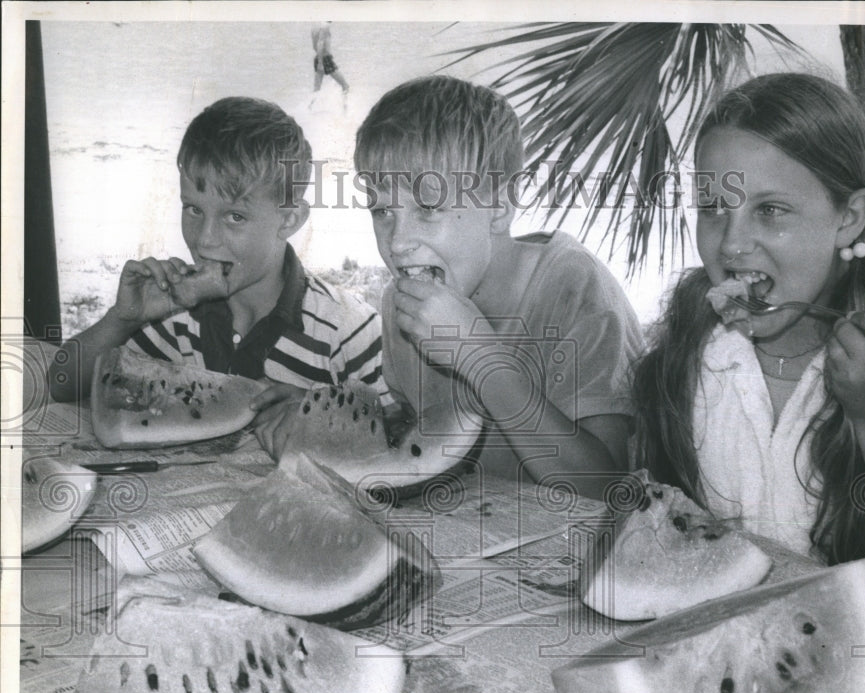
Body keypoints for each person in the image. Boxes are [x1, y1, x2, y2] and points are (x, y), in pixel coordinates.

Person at [632, 73, 865, 590]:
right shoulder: (688, 346)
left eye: (771, 210)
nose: (732, 244)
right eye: (714, 208)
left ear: (849, 218)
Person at [354, 75, 645, 499]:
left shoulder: (577, 291)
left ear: (499, 207)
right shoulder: (400, 306)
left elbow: (604, 487)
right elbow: (420, 438)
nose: (397, 243)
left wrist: (481, 357)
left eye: (428, 208)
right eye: (382, 210)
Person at [48, 96, 386, 459]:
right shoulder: (174, 316)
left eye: (235, 217)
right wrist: (122, 320)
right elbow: (62, 385)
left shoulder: (348, 332)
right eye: (193, 209)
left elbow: (394, 438)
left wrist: (322, 416)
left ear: (290, 219)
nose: (204, 240)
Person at [311, 23, 349, 97]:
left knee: (316, 90)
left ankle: (309, 108)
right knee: (345, 86)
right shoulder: (325, 26)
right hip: (325, 59)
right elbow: (320, 44)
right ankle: (346, 108)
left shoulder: (315, 26)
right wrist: (321, 63)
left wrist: (319, 61)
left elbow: (314, 46)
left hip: (318, 58)